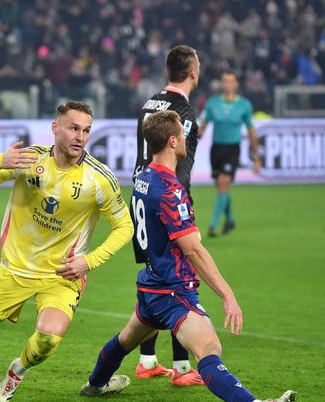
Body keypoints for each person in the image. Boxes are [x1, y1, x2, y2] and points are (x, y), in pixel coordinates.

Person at [79, 111, 296, 402]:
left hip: (151, 284)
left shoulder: (143, 178)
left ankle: (96, 385)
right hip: (172, 289)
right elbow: (193, 249)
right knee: (208, 348)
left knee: (125, 340)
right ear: (171, 141)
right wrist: (227, 295)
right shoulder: (169, 190)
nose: (186, 138)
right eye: (182, 134)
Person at [0, 101, 133, 402]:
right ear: (55, 128)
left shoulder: (99, 177)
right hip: (14, 269)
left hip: (60, 274)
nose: (80, 136)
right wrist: (0, 161)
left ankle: (16, 372)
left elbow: (125, 227)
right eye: (73, 128)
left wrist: (88, 262)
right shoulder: (28, 160)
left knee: (48, 339)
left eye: (86, 130)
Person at [131, 45, 202, 386]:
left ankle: (147, 360)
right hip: (168, 198)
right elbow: (179, 165)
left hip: (142, 193)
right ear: (193, 73)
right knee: (179, 275)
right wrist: (182, 206)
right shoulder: (183, 112)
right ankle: (182, 369)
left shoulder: (150, 103)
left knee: (154, 272)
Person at [199, 70, 261, 237]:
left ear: (236, 84)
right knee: (221, 186)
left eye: (230, 81)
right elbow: (202, 127)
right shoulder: (212, 104)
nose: (227, 84)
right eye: (224, 81)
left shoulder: (244, 105)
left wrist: (256, 157)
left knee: (223, 182)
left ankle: (213, 225)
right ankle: (230, 219)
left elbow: (251, 131)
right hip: (216, 150)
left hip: (232, 149)